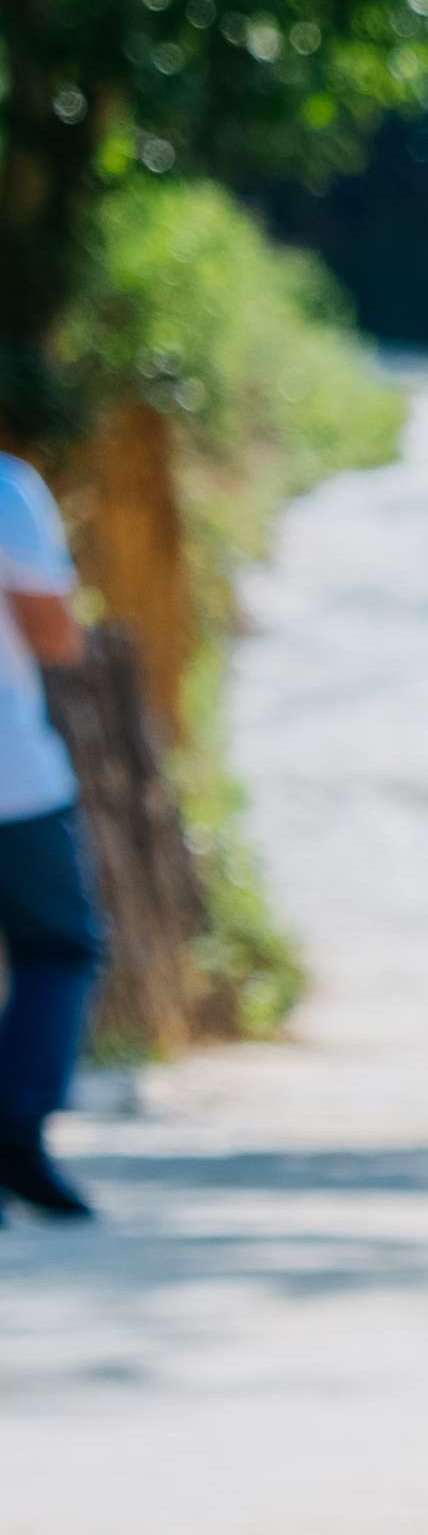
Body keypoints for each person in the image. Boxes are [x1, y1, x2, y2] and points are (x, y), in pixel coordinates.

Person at [0, 450, 103, 1220]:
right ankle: (15, 1132)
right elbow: (54, 635)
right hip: (12, 778)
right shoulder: (7, 490)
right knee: (57, 947)